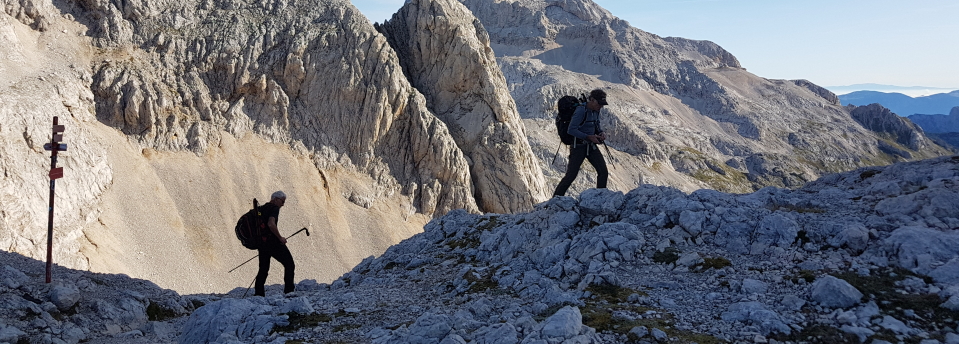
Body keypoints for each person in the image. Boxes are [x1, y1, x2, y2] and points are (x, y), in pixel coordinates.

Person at [553, 89, 609, 197]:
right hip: (578, 146)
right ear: (592, 100)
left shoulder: (596, 111)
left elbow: (596, 125)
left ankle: (600, 199)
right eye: (599, 103)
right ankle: (555, 200)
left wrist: (601, 133)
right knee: (571, 176)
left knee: (603, 172)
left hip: (590, 145)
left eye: (602, 104)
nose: (601, 106)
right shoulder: (580, 111)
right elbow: (571, 130)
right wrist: (588, 136)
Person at [254, 191, 296, 296]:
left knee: (263, 268)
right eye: (282, 201)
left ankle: (259, 293)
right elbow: (271, 224)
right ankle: (289, 291)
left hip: (262, 243)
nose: (283, 204)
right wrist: (280, 238)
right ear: (275, 199)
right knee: (289, 264)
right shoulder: (274, 208)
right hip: (273, 243)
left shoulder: (261, 208)